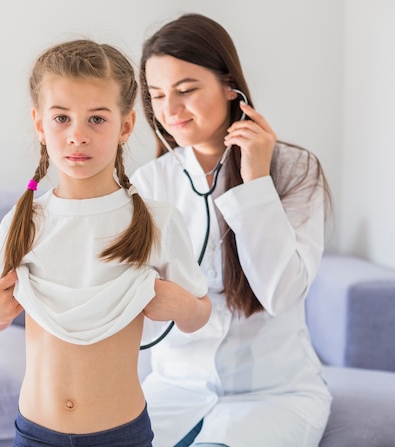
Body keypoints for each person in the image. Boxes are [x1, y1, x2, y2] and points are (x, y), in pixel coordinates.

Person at [0, 39, 212, 447]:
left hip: (121, 435)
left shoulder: (155, 221)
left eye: (97, 120)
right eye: (61, 118)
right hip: (35, 433)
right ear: (39, 124)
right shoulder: (23, 221)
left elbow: (199, 314)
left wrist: (183, 306)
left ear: (126, 125)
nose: (77, 135)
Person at [130, 13, 333, 447]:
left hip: (274, 394)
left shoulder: (297, 170)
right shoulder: (149, 185)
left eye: (186, 91)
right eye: (157, 95)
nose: (170, 110)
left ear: (229, 87)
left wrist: (257, 182)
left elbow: (280, 294)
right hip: (174, 390)